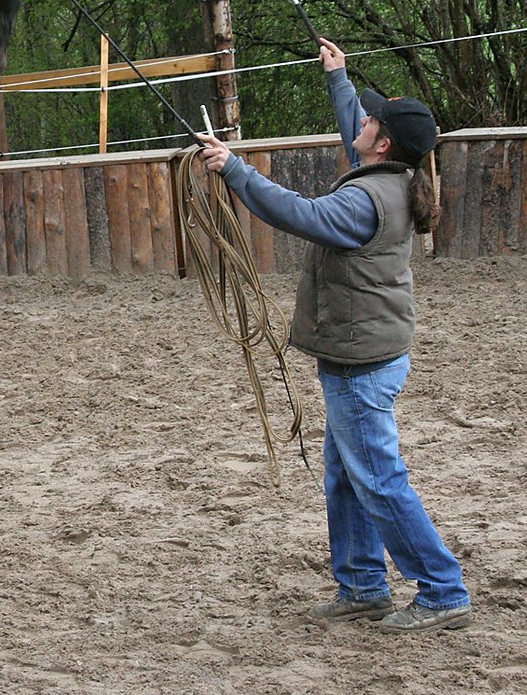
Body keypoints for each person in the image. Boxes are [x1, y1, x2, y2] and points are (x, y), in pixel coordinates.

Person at [198, 37, 472, 634]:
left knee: (376, 478)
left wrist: (235, 168)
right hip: (366, 353)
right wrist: (339, 78)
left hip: (359, 364)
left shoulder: (363, 199)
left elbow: (302, 214)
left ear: (384, 143)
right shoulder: (395, 177)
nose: (363, 121)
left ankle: (443, 590)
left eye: (371, 119)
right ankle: (363, 587)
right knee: (349, 475)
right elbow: (358, 127)